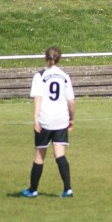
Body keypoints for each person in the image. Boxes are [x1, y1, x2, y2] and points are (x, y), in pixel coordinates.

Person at [22, 46, 76, 198]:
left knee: (40, 156)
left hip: (45, 120)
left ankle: (32, 190)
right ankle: (68, 189)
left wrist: (35, 118)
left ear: (45, 57)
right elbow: (71, 102)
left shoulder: (40, 75)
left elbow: (38, 98)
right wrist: (71, 119)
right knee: (60, 154)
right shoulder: (65, 76)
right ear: (59, 59)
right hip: (61, 120)